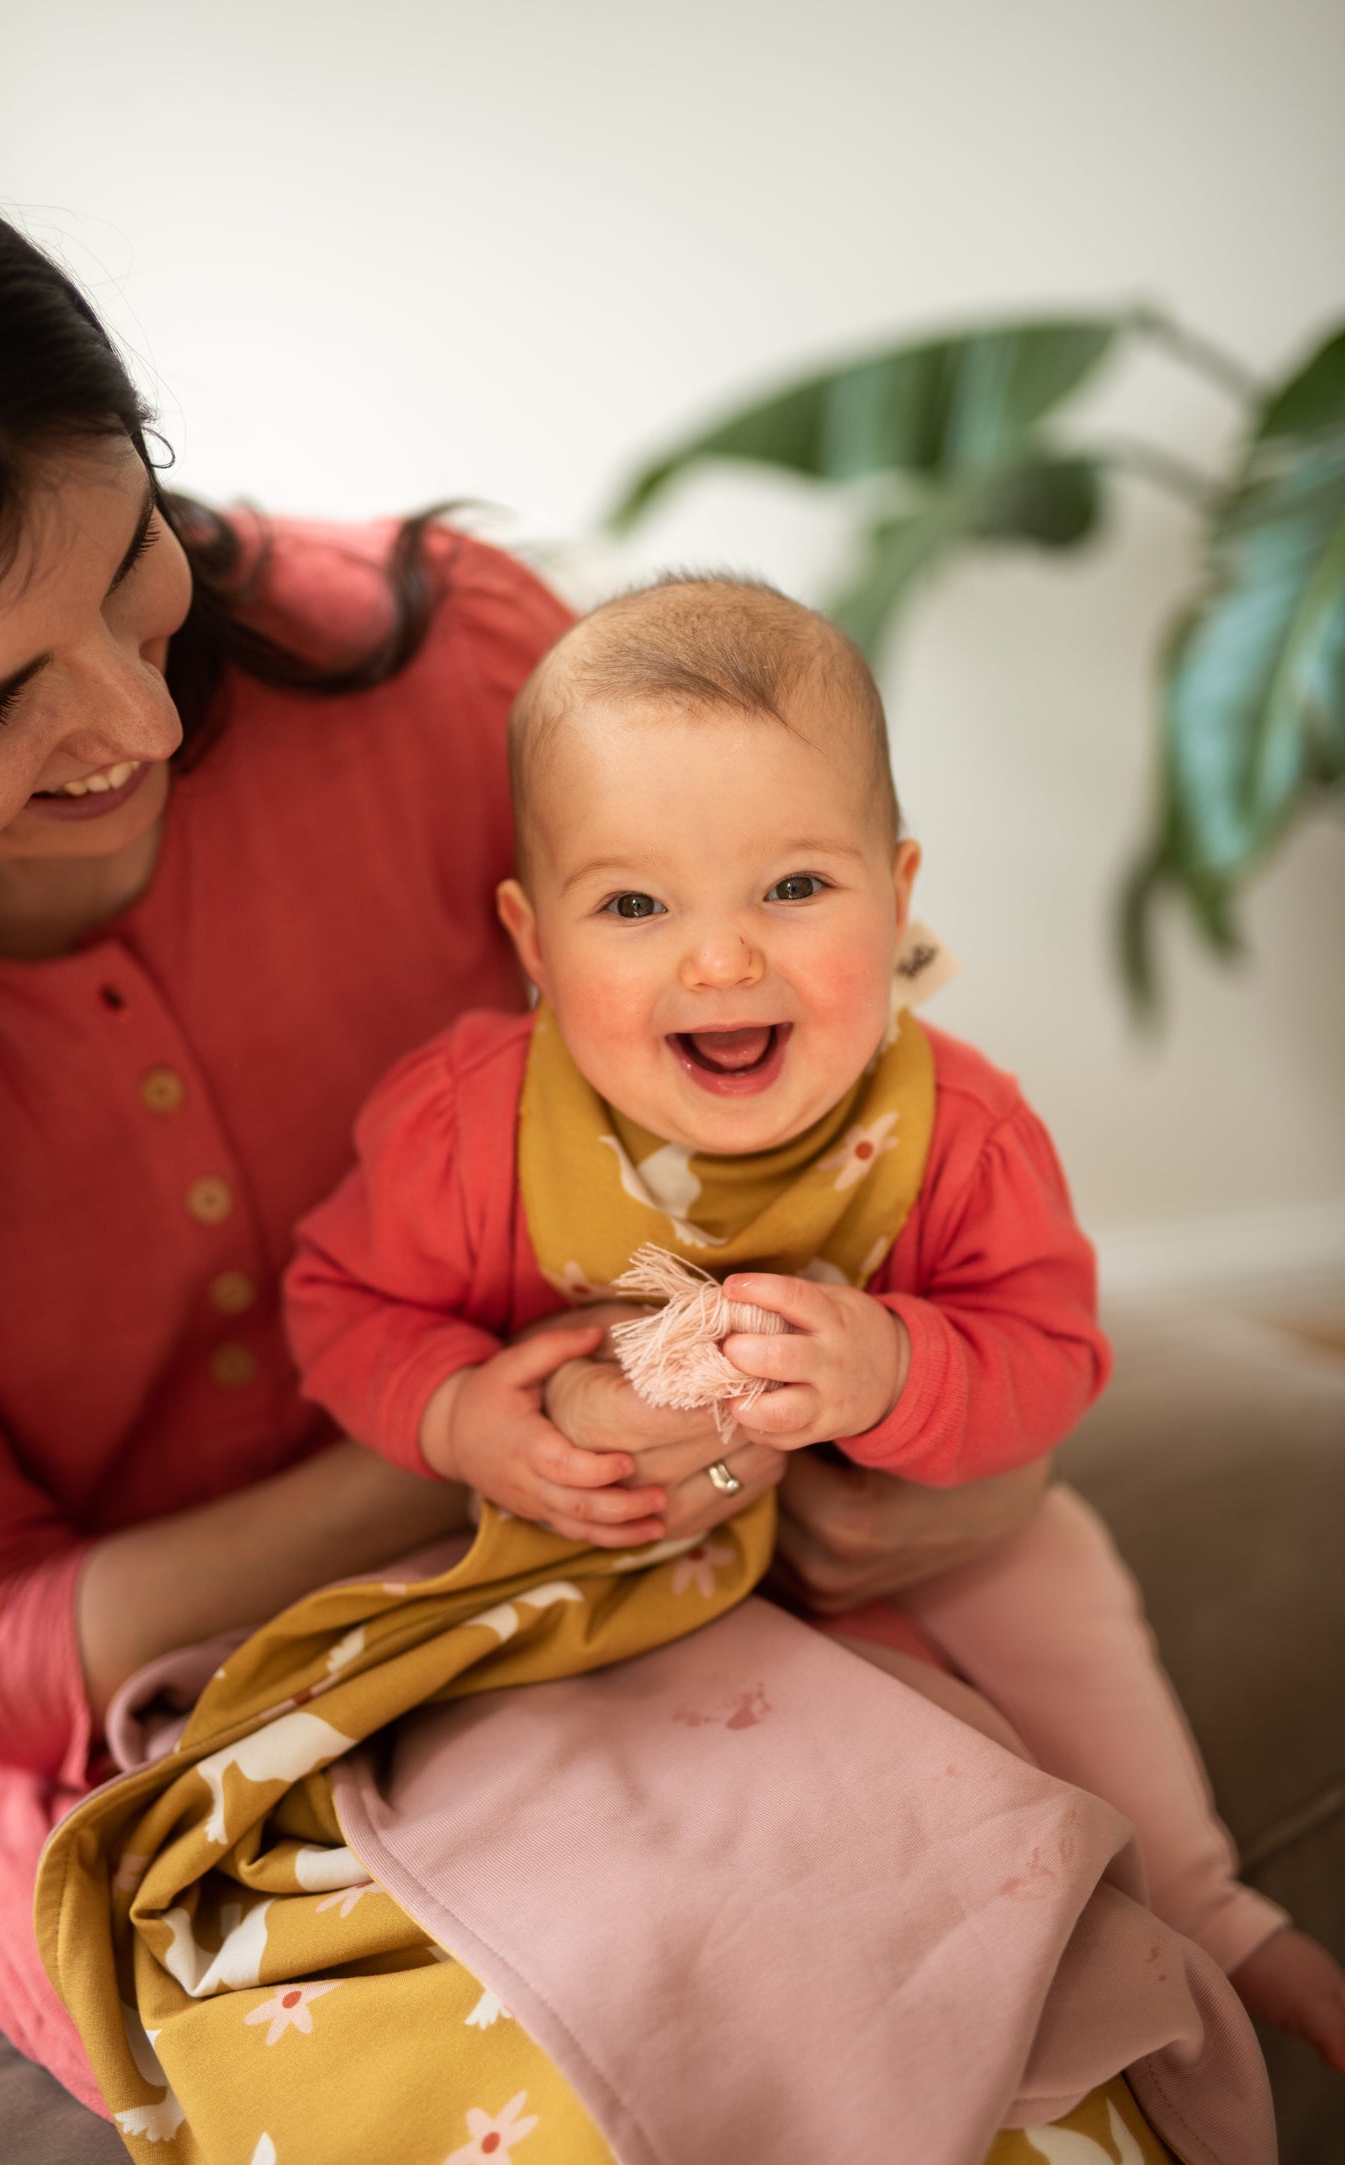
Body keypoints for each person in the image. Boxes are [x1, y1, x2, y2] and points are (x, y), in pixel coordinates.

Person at [0, 165, 1056, 2155]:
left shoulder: (464, 683)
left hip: (672, 1585)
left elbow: (864, 1128)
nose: (134, 722)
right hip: (182, 1725)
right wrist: (455, 1437)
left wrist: (956, 1416)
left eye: (130, 566)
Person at [286, 573, 1345, 2073]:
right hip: (603, 1550)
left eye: (791, 888)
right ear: (531, 937)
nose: (720, 960)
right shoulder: (469, 1130)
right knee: (547, 1756)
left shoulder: (955, 1129)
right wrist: (462, 1414)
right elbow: (342, 1308)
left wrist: (897, 1363)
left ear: (897, 893)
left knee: (1050, 1566)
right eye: (635, 904)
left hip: (889, 1516)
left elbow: (1049, 1357)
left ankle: (1200, 1896)